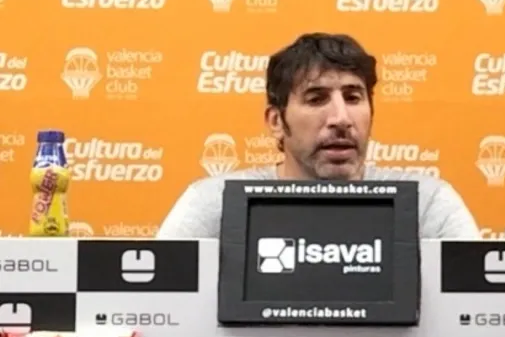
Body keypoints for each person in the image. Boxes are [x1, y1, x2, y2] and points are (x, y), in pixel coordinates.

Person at [157, 33, 480, 239]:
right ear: (276, 121)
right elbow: (162, 308)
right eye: (316, 99)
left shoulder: (426, 205)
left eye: (353, 97)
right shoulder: (216, 205)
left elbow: (474, 312)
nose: (341, 119)